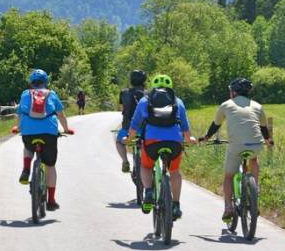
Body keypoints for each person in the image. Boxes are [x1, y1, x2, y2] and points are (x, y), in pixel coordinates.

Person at [201, 78, 273, 221]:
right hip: (256, 145)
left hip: (236, 146)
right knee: (253, 158)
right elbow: (263, 128)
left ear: (233, 92)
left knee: (228, 176)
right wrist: (268, 141)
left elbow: (216, 125)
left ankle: (228, 207)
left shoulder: (226, 105)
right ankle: (254, 194)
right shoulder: (258, 106)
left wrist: (206, 137)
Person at [125, 74, 194, 220]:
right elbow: (185, 126)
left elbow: (135, 123)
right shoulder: (178, 101)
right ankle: (176, 205)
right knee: (174, 172)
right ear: (170, 86)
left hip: (152, 142)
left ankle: (149, 191)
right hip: (174, 142)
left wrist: (129, 138)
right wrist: (189, 139)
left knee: (146, 167)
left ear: (153, 87)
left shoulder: (145, 100)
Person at [17, 69, 74, 211]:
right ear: (46, 82)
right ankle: (51, 201)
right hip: (49, 132)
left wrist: (17, 127)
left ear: (31, 82)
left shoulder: (25, 94)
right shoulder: (51, 94)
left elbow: (20, 113)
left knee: (28, 147)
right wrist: (66, 129)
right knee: (50, 166)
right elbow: (61, 114)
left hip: (29, 131)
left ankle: (26, 169)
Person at [116, 70, 147, 173]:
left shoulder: (124, 92)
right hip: (145, 130)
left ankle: (125, 161)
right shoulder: (148, 94)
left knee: (119, 141)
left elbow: (122, 109)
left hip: (127, 128)